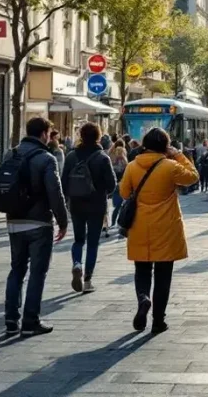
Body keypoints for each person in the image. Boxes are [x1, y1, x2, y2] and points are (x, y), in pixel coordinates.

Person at [119, 127, 198, 335]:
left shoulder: (132, 166)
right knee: (163, 275)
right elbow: (193, 177)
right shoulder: (170, 166)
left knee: (142, 270)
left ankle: (143, 298)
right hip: (166, 227)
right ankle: (158, 321)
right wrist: (179, 154)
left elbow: (124, 192)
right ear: (165, 145)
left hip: (140, 226)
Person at [3, 117, 69, 336]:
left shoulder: (11, 153)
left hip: (13, 221)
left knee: (16, 270)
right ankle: (30, 321)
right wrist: (62, 220)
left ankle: (11, 319)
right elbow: (55, 192)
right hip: (39, 222)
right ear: (43, 134)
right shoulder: (46, 158)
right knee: (37, 272)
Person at [61, 122, 117, 294]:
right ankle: (87, 280)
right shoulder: (102, 157)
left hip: (77, 204)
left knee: (78, 240)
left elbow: (63, 182)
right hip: (96, 205)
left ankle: (77, 263)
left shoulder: (71, 156)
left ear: (81, 136)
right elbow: (112, 184)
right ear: (98, 136)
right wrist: (104, 192)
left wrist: (68, 199)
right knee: (93, 243)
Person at [110, 141, 130, 224]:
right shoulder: (123, 162)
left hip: (119, 184)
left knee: (118, 205)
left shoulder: (117, 161)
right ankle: (116, 222)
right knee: (119, 205)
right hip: (120, 184)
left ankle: (115, 222)